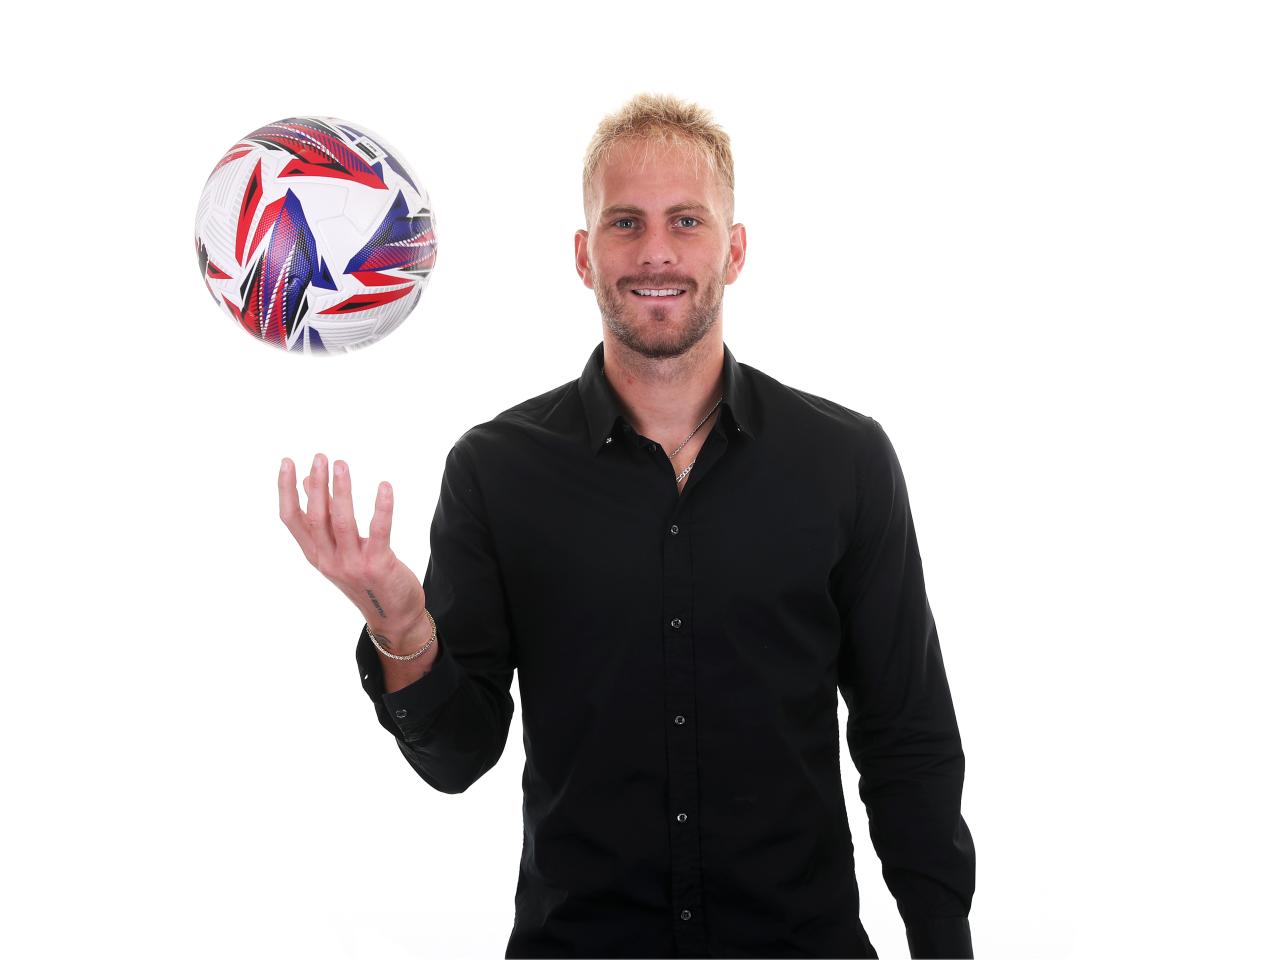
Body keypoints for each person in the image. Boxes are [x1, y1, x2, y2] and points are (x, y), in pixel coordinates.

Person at [279, 93, 976, 959]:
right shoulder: (497, 472)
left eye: (687, 221)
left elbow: (906, 734)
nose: (656, 251)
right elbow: (457, 758)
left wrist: (942, 939)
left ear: (735, 248)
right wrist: (403, 630)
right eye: (624, 223)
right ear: (583, 255)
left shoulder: (845, 461)